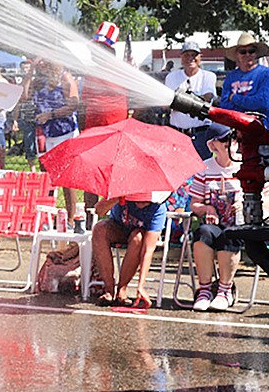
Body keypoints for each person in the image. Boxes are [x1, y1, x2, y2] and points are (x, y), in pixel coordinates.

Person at [188, 124, 243, 312]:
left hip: (240, 224)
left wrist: (245, 205)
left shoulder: (246, 165)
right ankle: (204, 289)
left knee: (230, 234)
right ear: (212, 145)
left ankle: (225, 290)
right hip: (214, 224)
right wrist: (206, 208)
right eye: (225, 139)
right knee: (203, 233)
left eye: (233, 138)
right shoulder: (204, 169)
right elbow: (193, 204)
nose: (231, 143)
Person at [78, 21, 130, 212]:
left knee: (113, 180)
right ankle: (89, 219)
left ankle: (114, 217)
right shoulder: (90, 72)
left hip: (115, 134)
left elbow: (133, 103)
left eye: (100, 47)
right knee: (90, 180)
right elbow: (84, 105)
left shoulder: (122, 70)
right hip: (93, 134)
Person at [89, 193, 168, 308]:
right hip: (118, 227)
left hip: (140, 235)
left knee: (138, 238)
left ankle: (122, 289)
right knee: (99, 229)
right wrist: (115, 198)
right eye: (138, 200)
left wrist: (141, 286)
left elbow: (148, 251)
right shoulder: (124, 192)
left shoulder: (158, 208)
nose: (141, 203)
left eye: (145, 201)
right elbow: (99, 211)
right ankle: (109, 289)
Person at [29, 58, 79, 220]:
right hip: (45, 133)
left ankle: (71, 218)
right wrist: (29, 71)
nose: (41, 63)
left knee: (66, 176)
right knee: (47, 176)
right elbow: (23, 96)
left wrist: (51, 115)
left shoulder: (64, 78)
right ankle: (47, 216)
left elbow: (73, 104)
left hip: (64, 132)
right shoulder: (38, 81)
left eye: (44, 60)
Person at [220, 32, 269, 161]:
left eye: (251, 51)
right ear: (237, 54)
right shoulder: (231, 77)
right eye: (243, 51)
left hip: (265, 132)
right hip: (239, 135)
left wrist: (235, 98)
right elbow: (224, 106)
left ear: (256, 53)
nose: (248, 55)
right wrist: (249, 103)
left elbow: (262, 103)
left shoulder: (266, 74)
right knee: (243, 174)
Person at [165, 40, 217, 159]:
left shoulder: (208, 76)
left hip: (201, 133)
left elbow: (207, 99)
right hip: (178, 133)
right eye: (187, 55)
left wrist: (179, 101)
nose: (190, 58)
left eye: (194, 55)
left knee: (204, 169)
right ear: (181, 57)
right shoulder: (171, 77)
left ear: (200, 57)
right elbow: (166, 103)